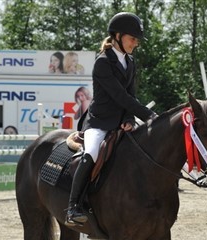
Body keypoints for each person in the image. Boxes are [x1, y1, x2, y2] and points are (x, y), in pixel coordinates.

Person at [65, 12, 158, 226]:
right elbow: (119, 96)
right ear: (118, 36)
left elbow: (130, 96)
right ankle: (73, 207)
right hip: (100, 121)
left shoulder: (130, 62)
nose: (135, 43)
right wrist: (149, 115)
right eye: (132, 38)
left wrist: (130, 118)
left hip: (120, 120)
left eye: (136, 40)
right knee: (92, 152)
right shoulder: (103, 62)